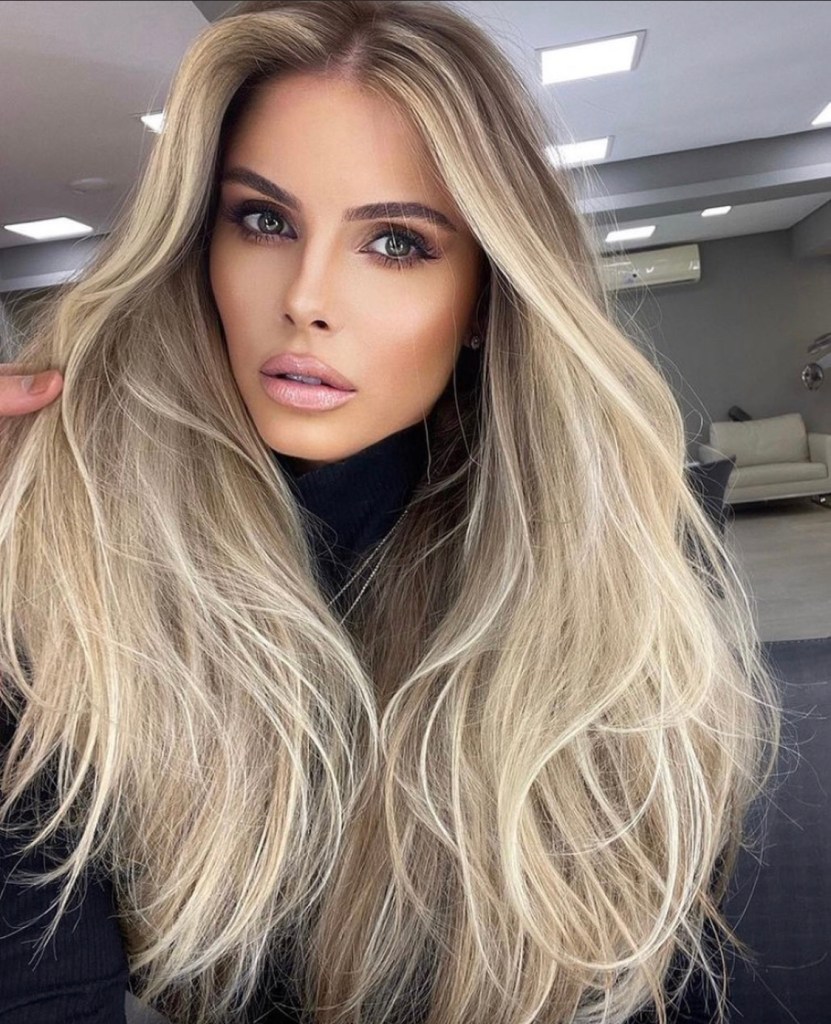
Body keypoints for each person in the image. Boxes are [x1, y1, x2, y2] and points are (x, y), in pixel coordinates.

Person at [0, 2, 780, 1023]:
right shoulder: (67, 542)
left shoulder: (614, 572)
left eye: (397, 242)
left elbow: (644, 957)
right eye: (264, 221)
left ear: (484, 298)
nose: (306, 297)